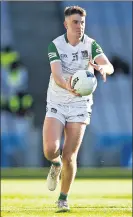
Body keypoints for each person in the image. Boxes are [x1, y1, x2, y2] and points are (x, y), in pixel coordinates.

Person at [43, 6, 114, 211]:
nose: (79, 26)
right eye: (75, 22)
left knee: (70, 155)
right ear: (66, 24)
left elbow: (108, 65)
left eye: (82, 22)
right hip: (57, 100)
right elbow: (57, 75)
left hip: (80, 104)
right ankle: (54, 165)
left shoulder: (91, 45)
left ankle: (63, 198)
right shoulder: (55, 45)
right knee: (50, 150)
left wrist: (102, 68)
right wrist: (69, 86)